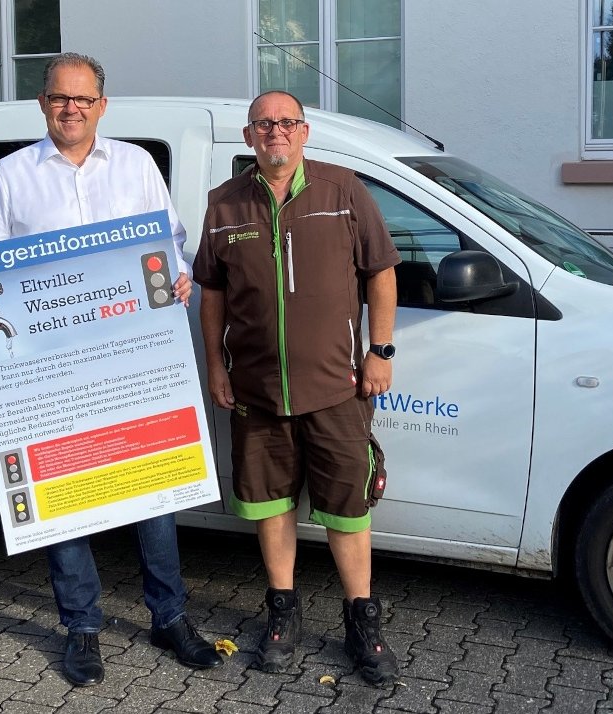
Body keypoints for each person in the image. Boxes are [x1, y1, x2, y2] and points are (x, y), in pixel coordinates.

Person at [0, 52, 220, 687]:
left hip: (131, 361)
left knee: (155, 490)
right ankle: (81, 629)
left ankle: (170, 617)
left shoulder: (135, 166)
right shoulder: (10, 177)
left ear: (102, 105)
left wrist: (178, 276)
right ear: (42, 103)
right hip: (49, 375)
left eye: (82, 99)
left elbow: (171, 243)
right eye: (58, 98)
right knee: (62, 500)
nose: (70, 108)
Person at [193, 90, 402, 685]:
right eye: (264, 124)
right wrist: (216, 364)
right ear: (248, 136)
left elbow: (381, 271)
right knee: (270, 505)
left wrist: (380, 351)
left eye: (286, 123)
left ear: (304, 132)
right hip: (257, 390)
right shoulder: (224, 205)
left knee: (347, 509)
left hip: (337, 387)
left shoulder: (343, 191)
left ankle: (364, 622)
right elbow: (212, 293)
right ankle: (282, 614)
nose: (275, 133)